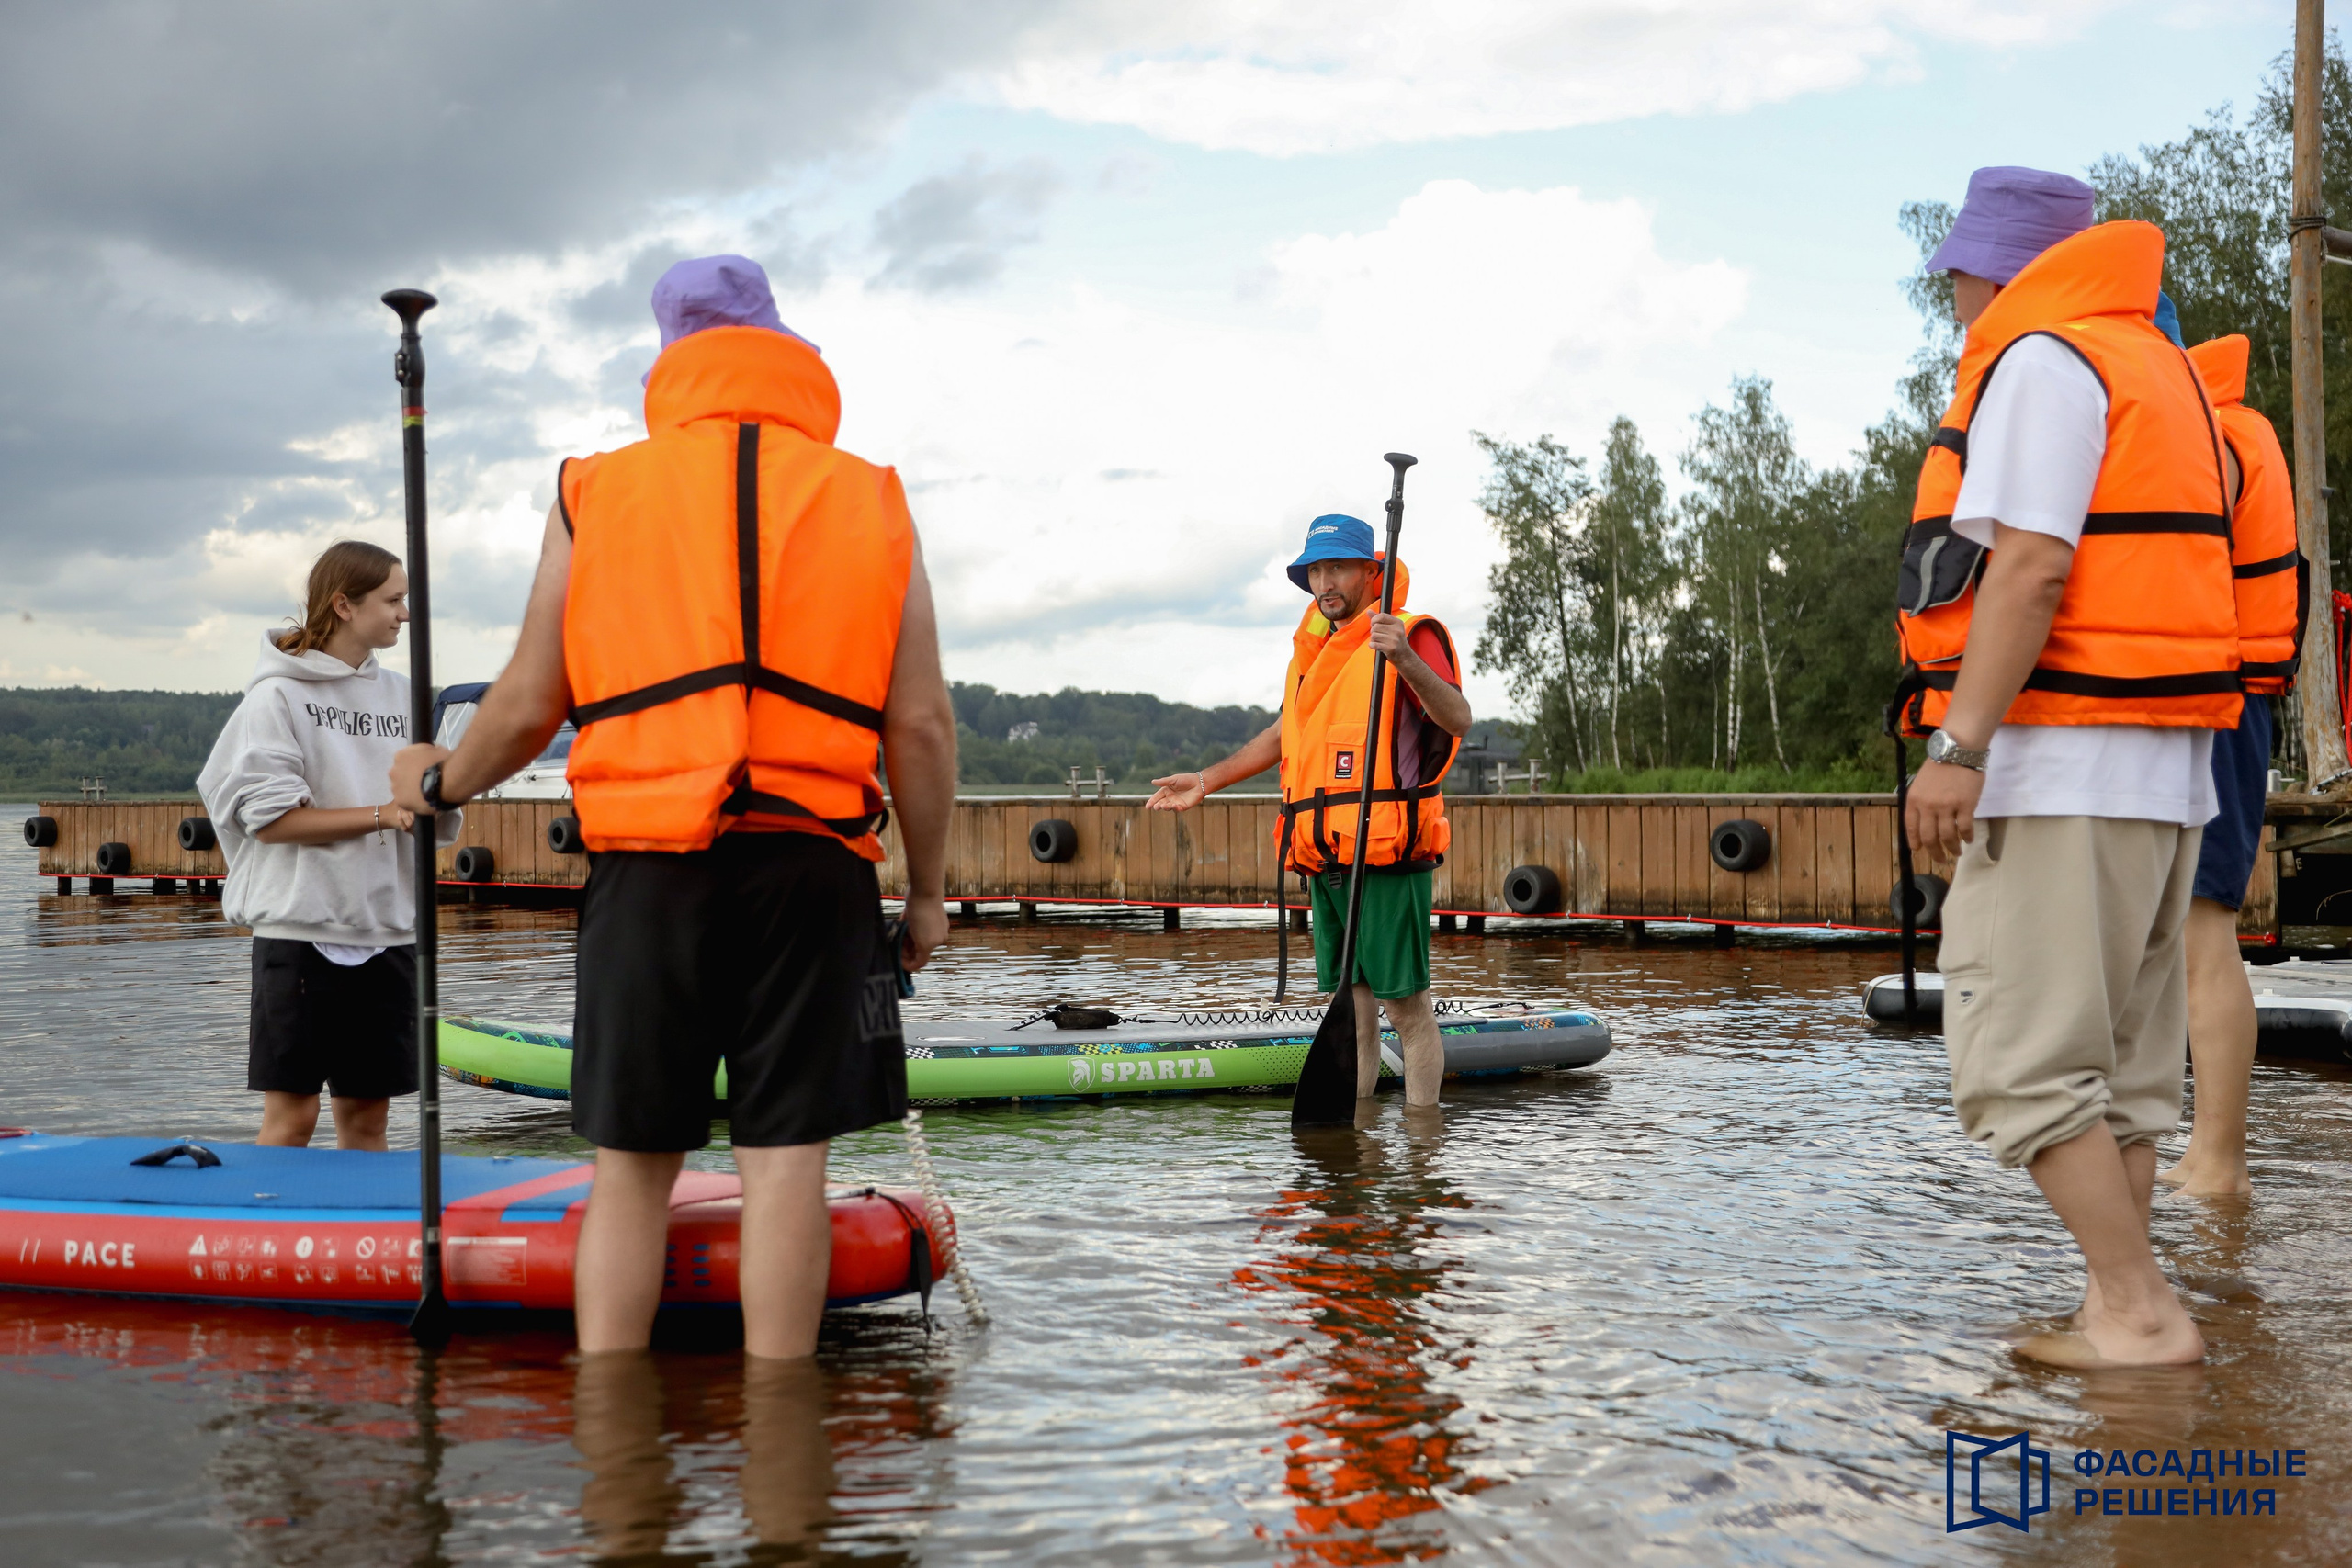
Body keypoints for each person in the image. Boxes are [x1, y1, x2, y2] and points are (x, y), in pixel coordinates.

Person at [390, 254, 957, 1363]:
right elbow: (923, 724)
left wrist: (438, 783)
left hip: (650, 864)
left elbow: (525, 702)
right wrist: (928, 894)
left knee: (633, 1167)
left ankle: (617, 1448)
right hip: (813, 861)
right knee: (787, 1162)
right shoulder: (871, 495)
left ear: (670, 363)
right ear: (786, 350)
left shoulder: (596, 487)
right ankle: (785, 1448)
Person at [1896, 167, 2241, 1367]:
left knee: (2020, 1064)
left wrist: (1959, 745)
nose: (1950, 289)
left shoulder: (2044, 360)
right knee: (2125, 1074)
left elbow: (2032, 568)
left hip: (2061, 765)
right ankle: (2115, 1303)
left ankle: (2139, 1309)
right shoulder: (2158, 366)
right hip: (2166, 772)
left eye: (1959, 267)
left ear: (1997, 266)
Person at [1147, 513, 1470, 1104]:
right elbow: (1284, 733)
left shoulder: (1410, 633)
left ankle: (1423, 1153)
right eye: (1315, 570)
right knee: (1356, 1010)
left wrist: (1403, 658)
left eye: (1338, 567)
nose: (1325, 582)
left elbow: (1458, 718)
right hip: (1326, 856)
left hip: (1387, 855)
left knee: (1407, 1010)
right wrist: (1205, 780)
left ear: (1371, 572)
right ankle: (1361, 1139)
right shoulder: (1315, 649)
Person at [196, 540, 461, 1150]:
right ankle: (271, 1241)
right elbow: (274, 822)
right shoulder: (278, 697)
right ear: (343, 604)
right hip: (300, 931)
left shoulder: (407, 697)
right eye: (393, 599)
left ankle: (361, 1242)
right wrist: (380, 814)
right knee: (293, 1118)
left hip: (386, 931)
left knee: (367, 1120)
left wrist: (442, 792)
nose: (405, 613)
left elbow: (435, 816)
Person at [2161, 327, 2301, 1200]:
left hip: (2217, 702)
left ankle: (2220, 1162)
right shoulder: (2233, 425)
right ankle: (2203, 1154)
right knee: (2187, 932)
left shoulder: (2209, 438)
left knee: (2202, 930)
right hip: (2226, 699)